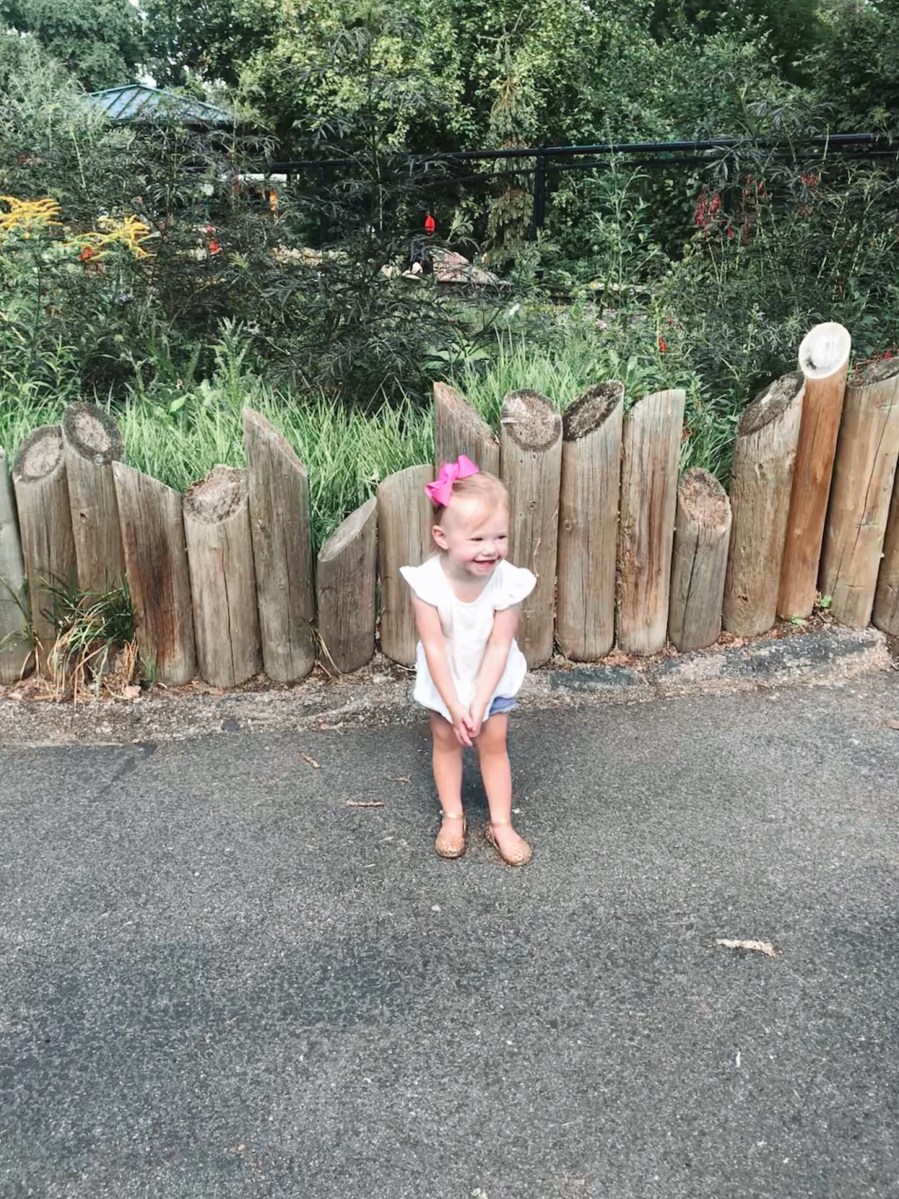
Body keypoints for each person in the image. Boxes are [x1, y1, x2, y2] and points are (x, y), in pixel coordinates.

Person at [400, 456, 536, 866]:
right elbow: (434, 648)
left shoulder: (507, 581)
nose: (491, 549)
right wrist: (456, 705)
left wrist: (479, 702)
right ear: (442, 537)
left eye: (500, 536)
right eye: (477, 539)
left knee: (493, 743)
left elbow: (499, 645)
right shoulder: (426, 584)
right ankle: (453, 816)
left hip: (491, 678)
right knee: (445, 741)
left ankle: (501, 823)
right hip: (446, 679)